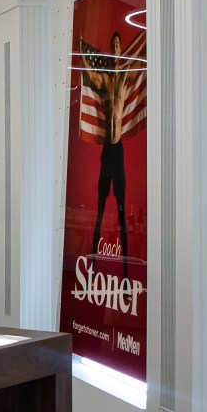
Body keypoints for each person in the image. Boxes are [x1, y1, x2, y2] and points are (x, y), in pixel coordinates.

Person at [79, 31, 129, 268]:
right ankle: (92, 267)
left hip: (117, 150)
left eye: (118, 44)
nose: (115, 47)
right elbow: (90, 75)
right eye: (113, 43)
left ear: (121, 49)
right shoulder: (107, 81)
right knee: (99, 210)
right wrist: (81, 50)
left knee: (121, 214)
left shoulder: (126, 77)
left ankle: (127, 274)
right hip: (107, 152)